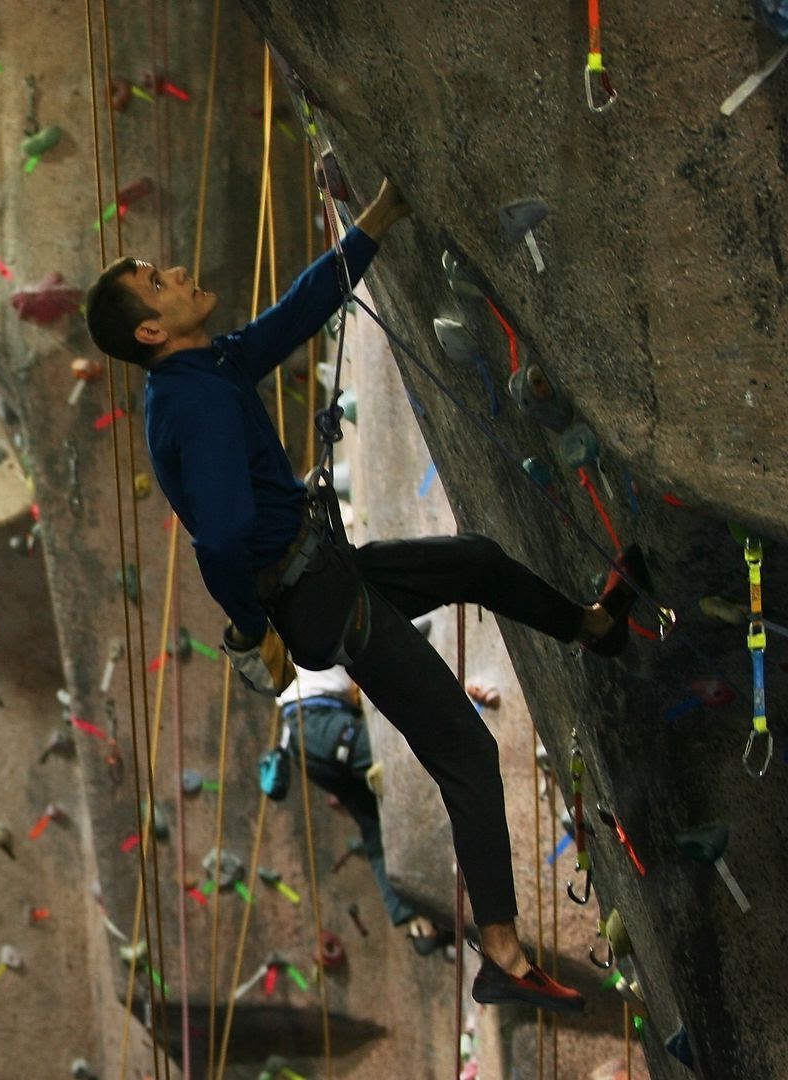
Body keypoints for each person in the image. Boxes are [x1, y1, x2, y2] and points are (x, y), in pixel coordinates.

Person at [83, 177, 652, 1014]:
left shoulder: (207, 367)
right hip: (317, 598)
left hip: (327, 571)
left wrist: (378, 216)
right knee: (464, 750)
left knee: (474, 561)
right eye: (156, 280)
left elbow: (295, 315)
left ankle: (593, 627)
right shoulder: (191, 405)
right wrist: (248, 628)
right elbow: (221, 534)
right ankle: (500, 952)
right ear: (150, 329)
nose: (174, 271)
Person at [279, 662, 442, 952]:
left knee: (373, 821)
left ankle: (416, 922)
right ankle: (456, 875)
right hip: (323, 723)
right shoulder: (315, 638)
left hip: (303, 741)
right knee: (410, 767)